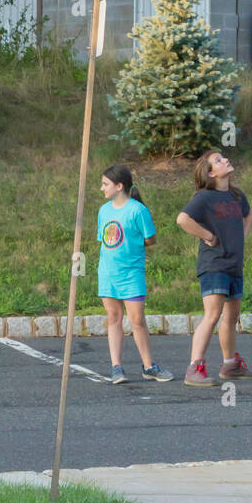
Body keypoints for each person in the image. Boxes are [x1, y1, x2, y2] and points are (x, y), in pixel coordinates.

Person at [176, 149, 252, 387]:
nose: (225, 160)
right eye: (218, 161)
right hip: (214, 265)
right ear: (211, 173)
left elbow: (247, 215)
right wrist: (207, 235)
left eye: (223, 157)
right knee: (213, 315)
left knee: (232, 316)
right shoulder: (204, 198)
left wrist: (241, 235)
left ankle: (229, 365)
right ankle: (194, 368)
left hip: (233, 264)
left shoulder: (236, 195)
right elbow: (183, 220)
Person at [97, 164, 173, 384]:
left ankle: (148, 366)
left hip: (132, 273)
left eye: (105, 184)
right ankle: (116, 367)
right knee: (113, 318)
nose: (102, 189)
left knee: (137, 320)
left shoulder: (138, 211)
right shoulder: (104, 211)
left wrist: (133, 245)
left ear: (119, 186)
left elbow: (151, 239)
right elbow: (105, 241)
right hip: (108, 272)